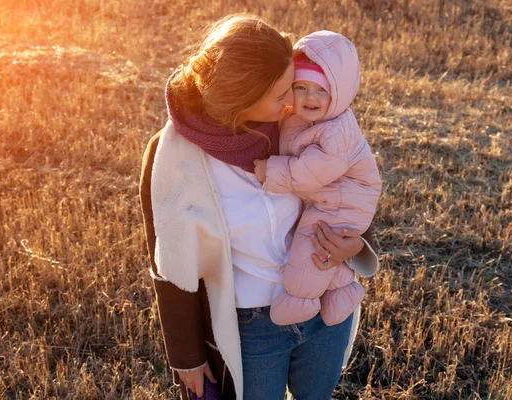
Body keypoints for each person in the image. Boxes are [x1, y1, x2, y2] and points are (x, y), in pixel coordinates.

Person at [139, 14, 380, 400]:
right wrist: (188, 357)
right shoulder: (176, 156)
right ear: (243, 98)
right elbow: (169, 261)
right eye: (283, 93)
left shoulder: (303, 124)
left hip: (323, 308)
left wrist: (357, 245)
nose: (295, 100)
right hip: (250, 326)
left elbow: (351, 186)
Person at [253, 31, 382, 327]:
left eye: (321, 90)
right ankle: (342, 291)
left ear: (339, 93)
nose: (310, 98)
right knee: (328, 246)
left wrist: (271, 171)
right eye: (301, 87)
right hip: (331, 196)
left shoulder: (337, 129)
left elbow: (315, 170)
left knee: (312, 243)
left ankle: (300, 300)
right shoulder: (297, 116)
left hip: (346, 199)